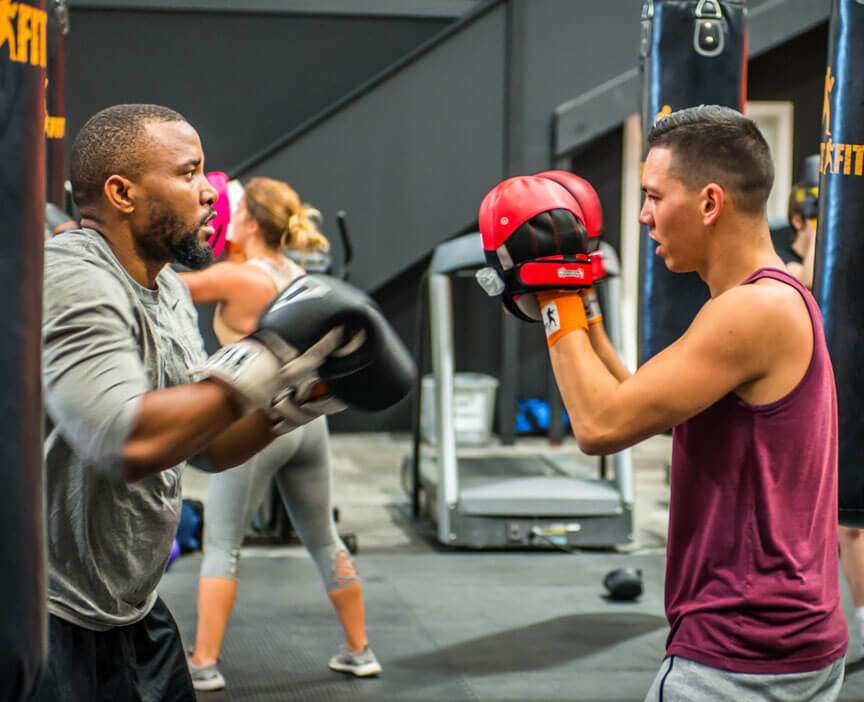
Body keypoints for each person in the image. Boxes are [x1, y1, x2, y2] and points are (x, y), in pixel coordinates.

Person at [479, 106, 847, 701]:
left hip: (742, 650)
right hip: (782, 638)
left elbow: (599, 425)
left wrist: (554, 294)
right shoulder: (771, 297)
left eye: (653, 196)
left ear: (708, 203)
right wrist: (585, 305)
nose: (644, 216)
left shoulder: (748, 314)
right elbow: (639, 402)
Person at [37, 104, 388, 702]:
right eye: (188, 172)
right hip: (47, 620)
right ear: (121, 192)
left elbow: (205, 448)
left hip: (135, 611)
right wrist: (269, 359)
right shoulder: (74, 278)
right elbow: (126, 443)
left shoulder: (169, 287)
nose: (209, 193)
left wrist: (302, 400)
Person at [180, 177, 380, 692]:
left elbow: (159, 286)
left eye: (234, 209)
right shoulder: (300, 275)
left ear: (246, 223)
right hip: (308, 425)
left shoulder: (238, 277)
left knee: (222, 545)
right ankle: (360, 651)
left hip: (256, 424)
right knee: (324, 538)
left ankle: (202, 661)